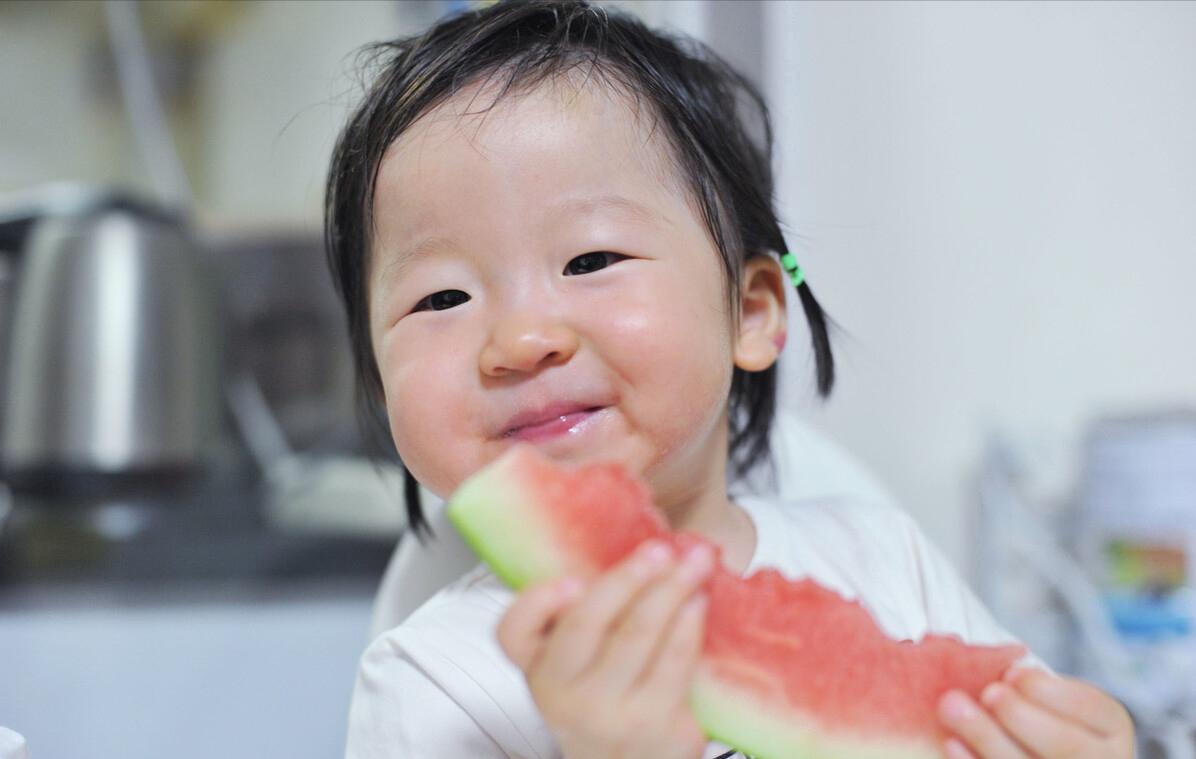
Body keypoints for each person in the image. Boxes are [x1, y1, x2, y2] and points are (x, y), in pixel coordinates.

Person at [325, 2, 1136, 757]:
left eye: (591, 260)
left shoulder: (886, 560)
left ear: (750, 313)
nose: (521, 339)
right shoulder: (433, 682)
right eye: (441, 298)